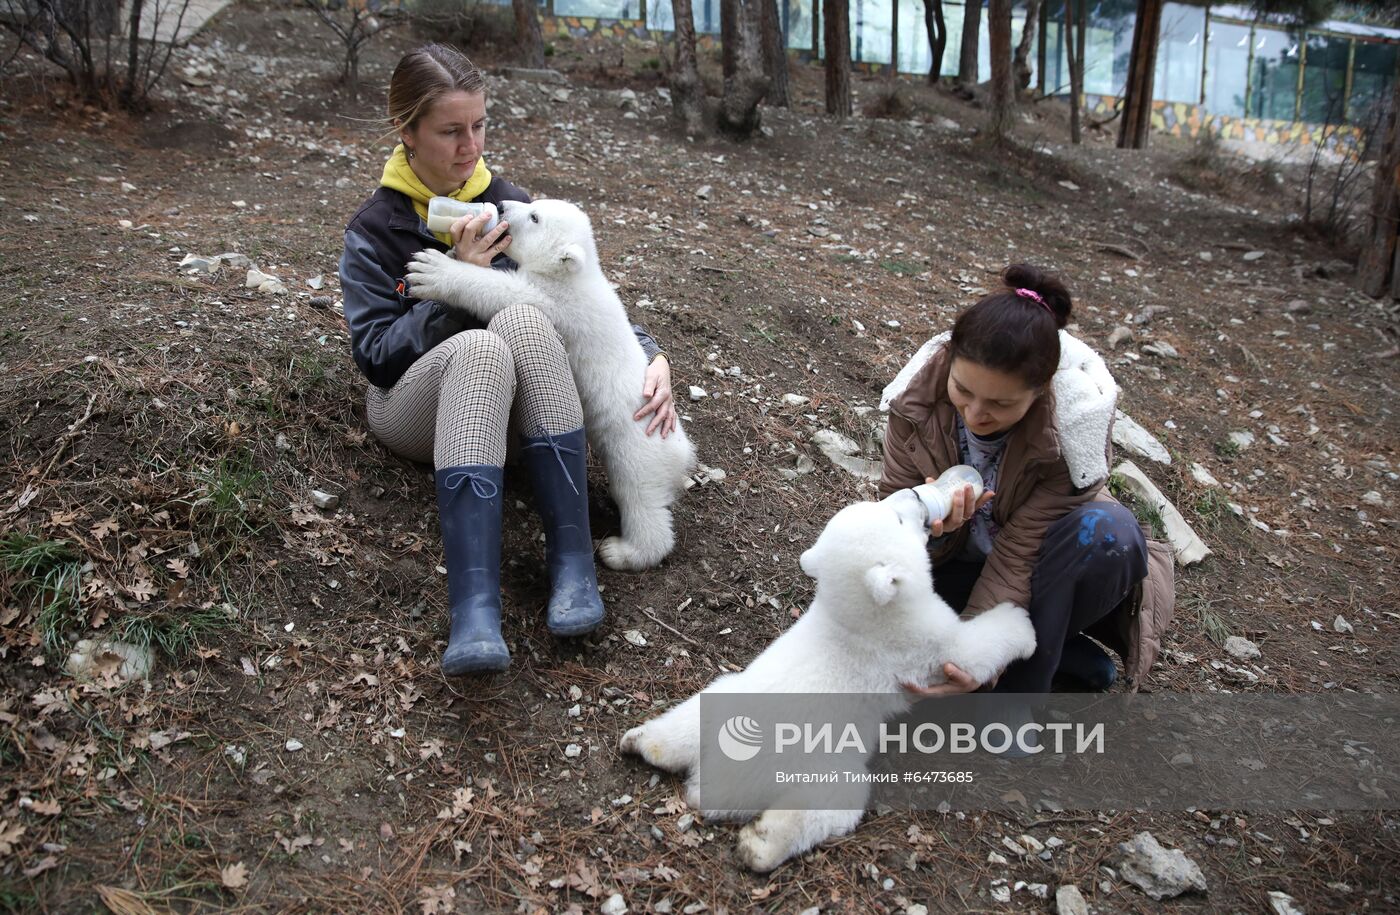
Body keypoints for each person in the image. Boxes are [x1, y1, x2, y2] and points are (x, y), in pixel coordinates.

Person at [339, 43, 677, 675]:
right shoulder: (375, 229)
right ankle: (474, 610)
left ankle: (573, 567)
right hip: (414, 405)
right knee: (482, 345)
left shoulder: (506, 201)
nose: (470, 147)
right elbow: (378, 358)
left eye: (479, 126)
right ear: (405, 132)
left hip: (517, 417)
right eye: (450, 131)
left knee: (521, 314)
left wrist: (652, 355)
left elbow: (583, 298)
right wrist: (453, 290)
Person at [880, 265, 1174, 695]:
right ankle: (1045, 658)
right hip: (953, 575)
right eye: (963, 390)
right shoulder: (915, 405)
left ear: (1041, 392)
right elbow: (892, 527)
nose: (976, 413)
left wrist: (973, 655)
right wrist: (939, 534)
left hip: (1037, 584)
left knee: (1110, 533)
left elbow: (1018, 560)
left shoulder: (1069, 440)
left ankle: (1014, 694)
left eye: (1000, 403)